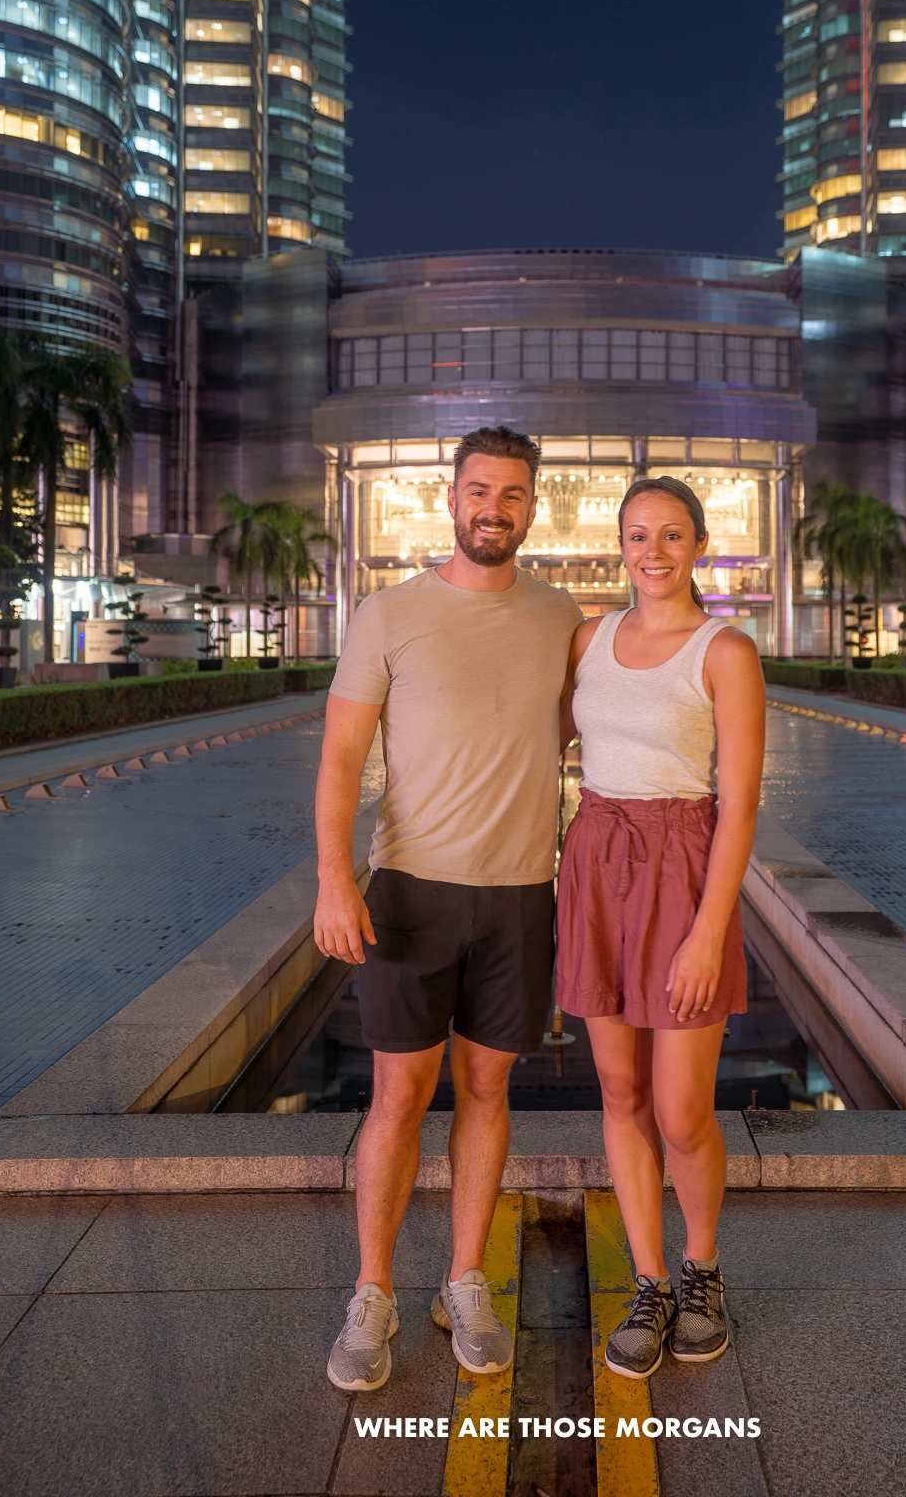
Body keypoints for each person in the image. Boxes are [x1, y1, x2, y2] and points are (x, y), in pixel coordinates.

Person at [314, 426, 581, 1393]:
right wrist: (335, 879)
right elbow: (343, 758)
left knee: (487, 1091)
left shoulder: (563, 618)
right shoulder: (388, 613)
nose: (493, 510)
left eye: (511, 495)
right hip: (412, 890)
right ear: (451, 498)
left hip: (519, 896)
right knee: (396, 1096)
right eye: (479, 492)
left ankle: (464, 1279)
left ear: (531, 507)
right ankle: (374, 1290)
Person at [556, 475, 765, 1380]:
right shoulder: (587, 639)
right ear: (621, 543)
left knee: (682, 1112)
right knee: (620, 1093)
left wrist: (709, 931)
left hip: (683, 862)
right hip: (597, 856)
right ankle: (649, 1284)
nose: (653, 551)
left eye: (671, 535)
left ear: (700, 544)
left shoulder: (724, 650)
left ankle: (703, 1268)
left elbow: (742, 800)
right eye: (638, 535)